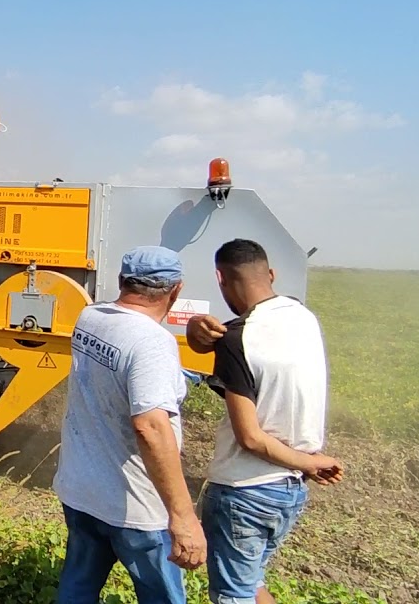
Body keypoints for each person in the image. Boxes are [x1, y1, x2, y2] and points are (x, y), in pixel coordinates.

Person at [185, 239, 344, 604]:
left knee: (233, 596)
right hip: (289, 493)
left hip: (245, 491)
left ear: (219, 278)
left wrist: (311, 463)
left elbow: (250, 438)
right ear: (270, 274)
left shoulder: (238, 338)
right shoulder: (304, 317)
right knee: (251, 585)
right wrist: (197, 330)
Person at [53, 245, 206, 604]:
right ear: (176, 290)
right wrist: (183, 516)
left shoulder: (90, 318)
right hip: (135, 507)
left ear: (122, 280)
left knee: (78, 588)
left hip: (81, 490)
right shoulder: (153, 343)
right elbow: (150, 428)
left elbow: (119, 366)